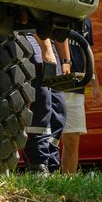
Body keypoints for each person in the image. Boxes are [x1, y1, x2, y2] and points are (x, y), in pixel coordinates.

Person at [59, 19, 102, 174]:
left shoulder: (86, 20)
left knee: (72, 138)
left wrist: (95, 84)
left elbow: (87, 51)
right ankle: (47, 182)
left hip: (76, 85)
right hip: (55, 83)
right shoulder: (57, 11)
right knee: (51, 137)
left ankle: (68, 182)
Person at [23, 34, 67, 173]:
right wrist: (46, 49)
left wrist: (66, 61)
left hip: (49, 44)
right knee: (42, 103)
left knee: (59, 110)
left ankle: (52, 163)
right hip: (32, 37)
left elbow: (62, 33)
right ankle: (38, 163)